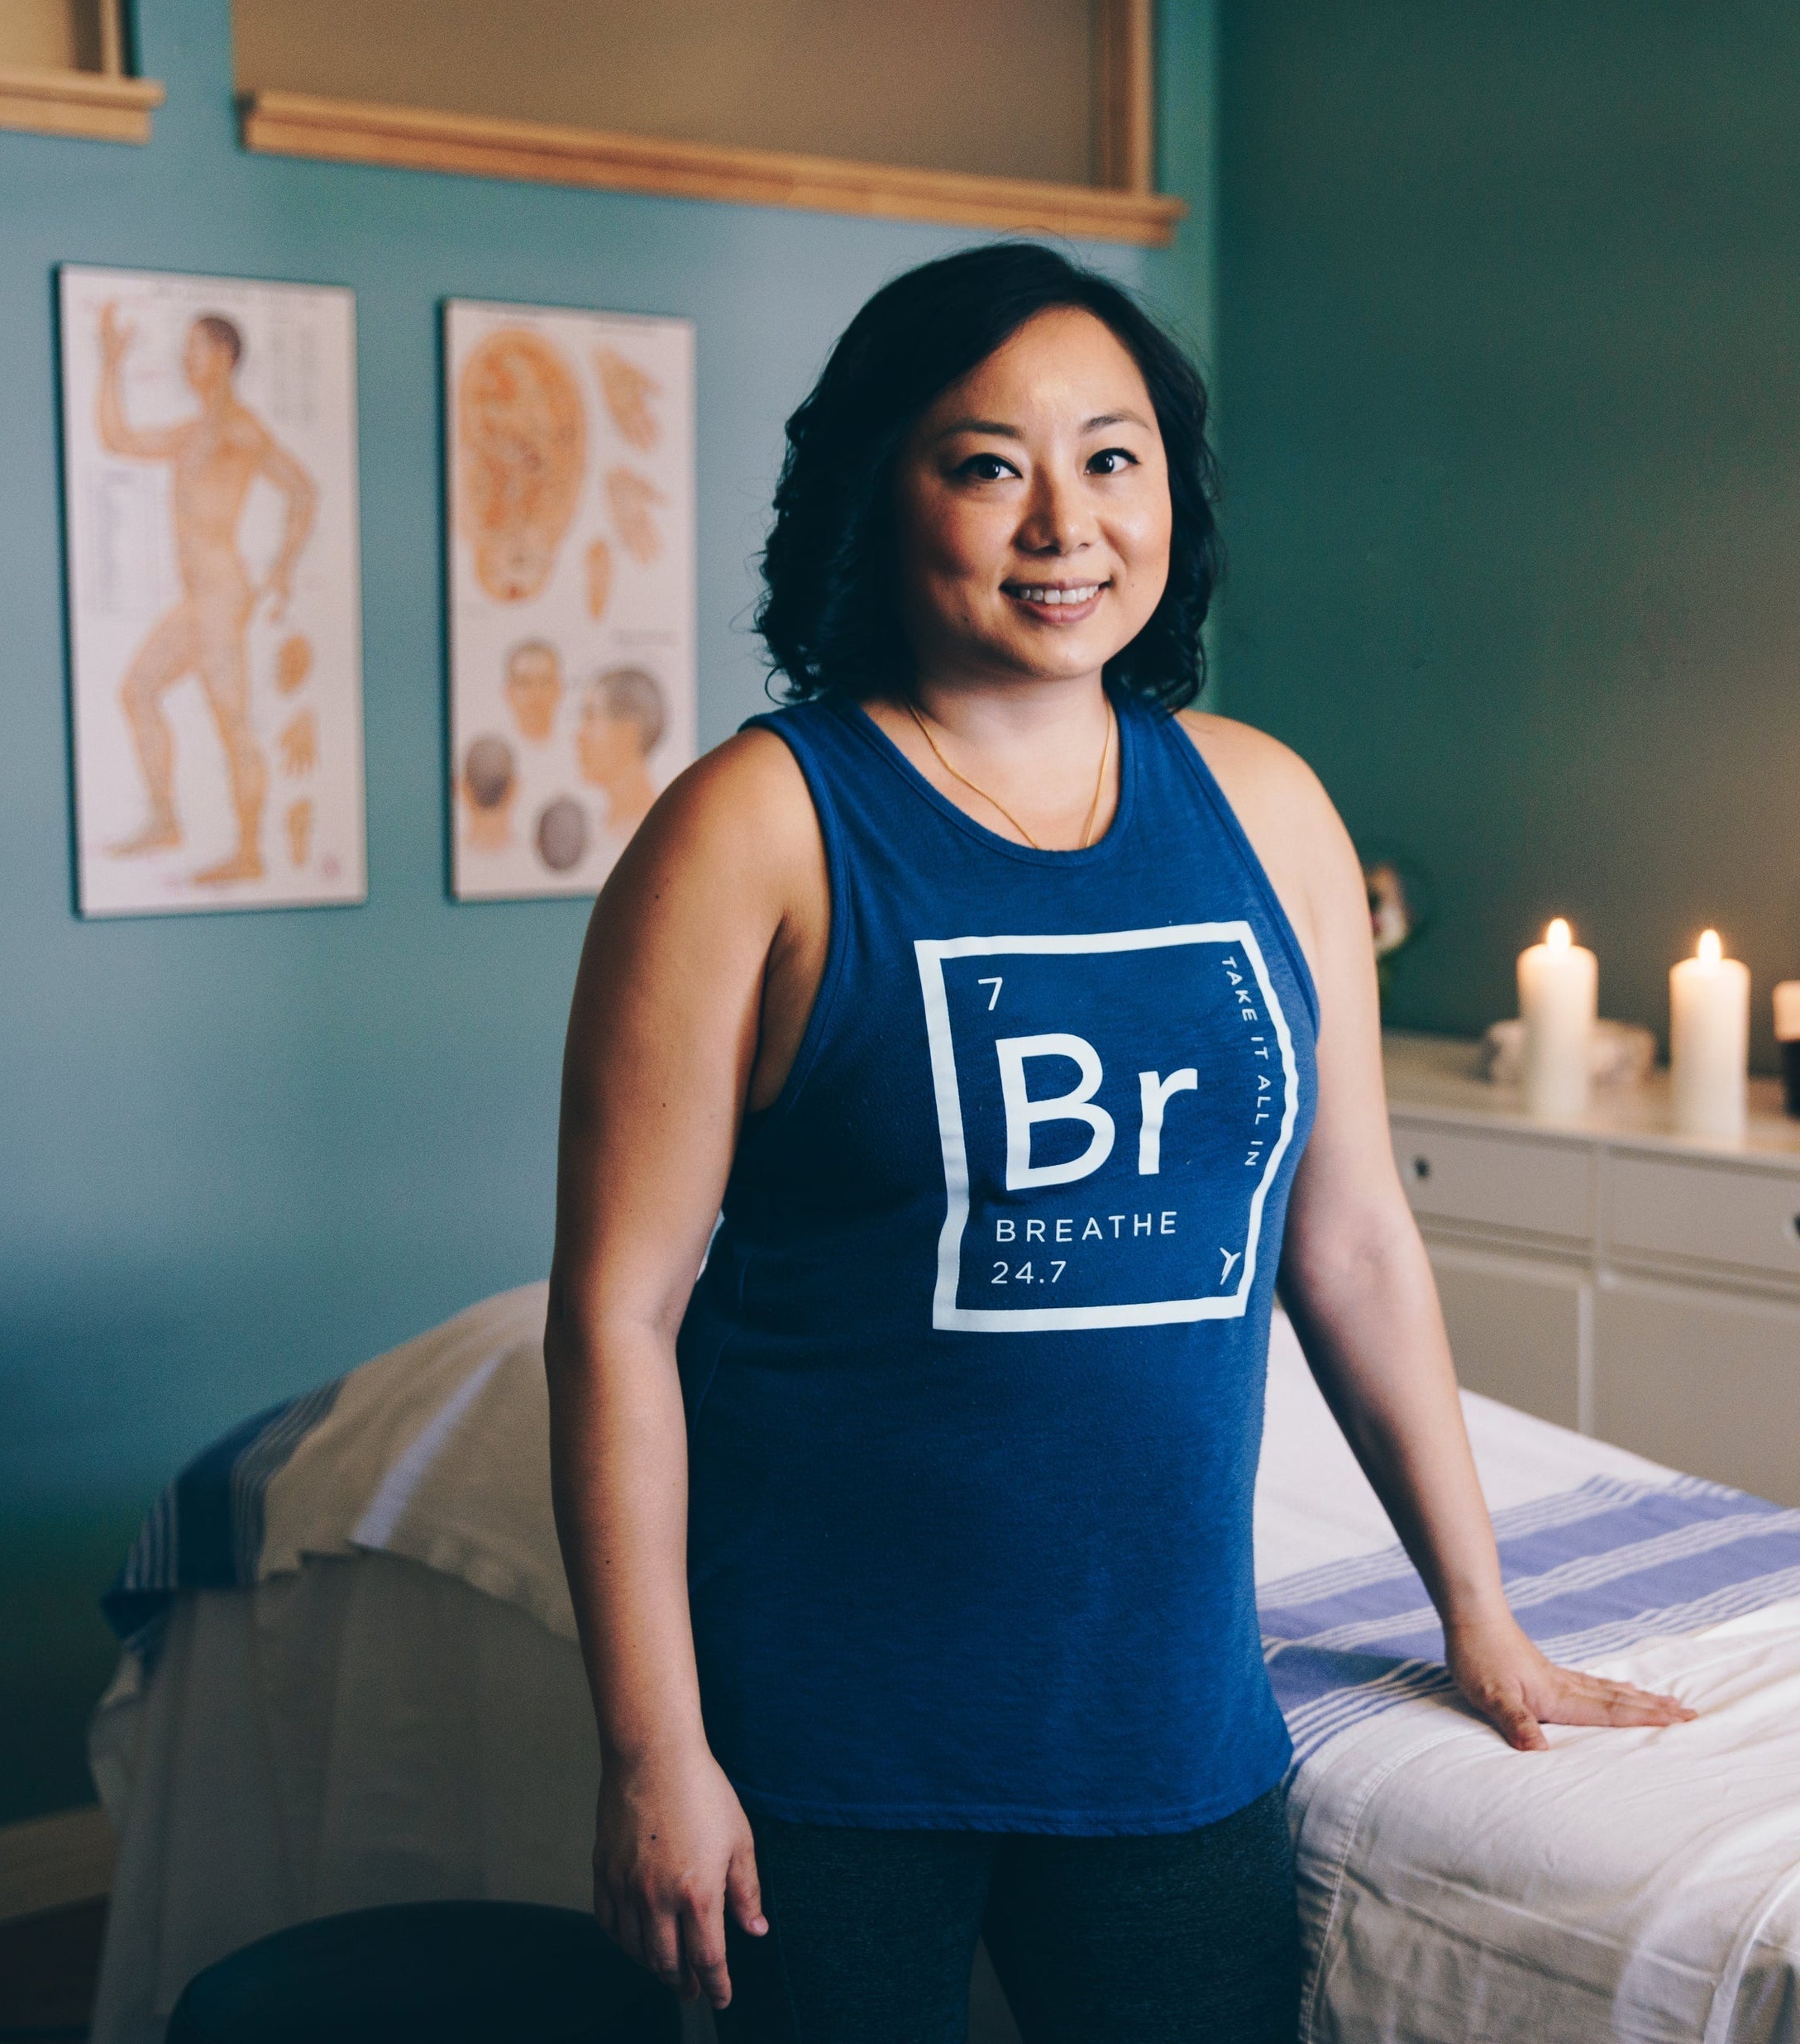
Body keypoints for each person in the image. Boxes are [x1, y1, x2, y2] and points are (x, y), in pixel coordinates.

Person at [544, 244, 1691, 2044]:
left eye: (1116, 456)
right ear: (881, 488)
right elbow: (616, 1314)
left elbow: (1356, 1239)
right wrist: (653, 1749)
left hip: (1173, 1727)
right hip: (831, 1748)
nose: (1063, 519)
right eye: (988, 460)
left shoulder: (1266, 805)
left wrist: (1487, 1614)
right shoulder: (754, 829)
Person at [92, 303, 314, 885]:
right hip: (200, 599)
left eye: (194, 348)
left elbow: (302, 489)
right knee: (138, 690)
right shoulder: (196, 431)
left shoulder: (240, 427)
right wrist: (111, 364)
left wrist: (285, 566)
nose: (184, 360)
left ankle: (249, 853)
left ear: (222, 357)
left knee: (230, 718)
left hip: (220, 594)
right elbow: (115, 438)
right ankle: (166, 817)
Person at [575, 663, 666, 837]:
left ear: (628, 732)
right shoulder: (601, 830)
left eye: (591, 718)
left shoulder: (663, 831)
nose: (579, 736)